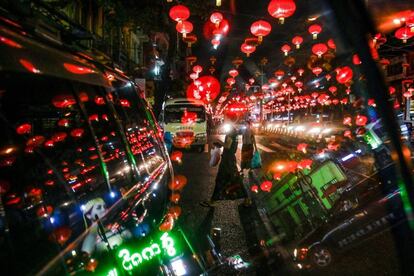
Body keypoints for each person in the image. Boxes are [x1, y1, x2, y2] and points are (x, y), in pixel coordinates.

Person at [201, 124, 239, 207]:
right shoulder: (235, 132)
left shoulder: (231, 133)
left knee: (221, 179)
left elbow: (228, 146)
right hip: (230, 159)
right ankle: (247, 198)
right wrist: (220, 145)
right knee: (235, 179)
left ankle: (213, 201)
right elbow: (230, 145)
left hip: (227, 160)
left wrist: (219, 141)